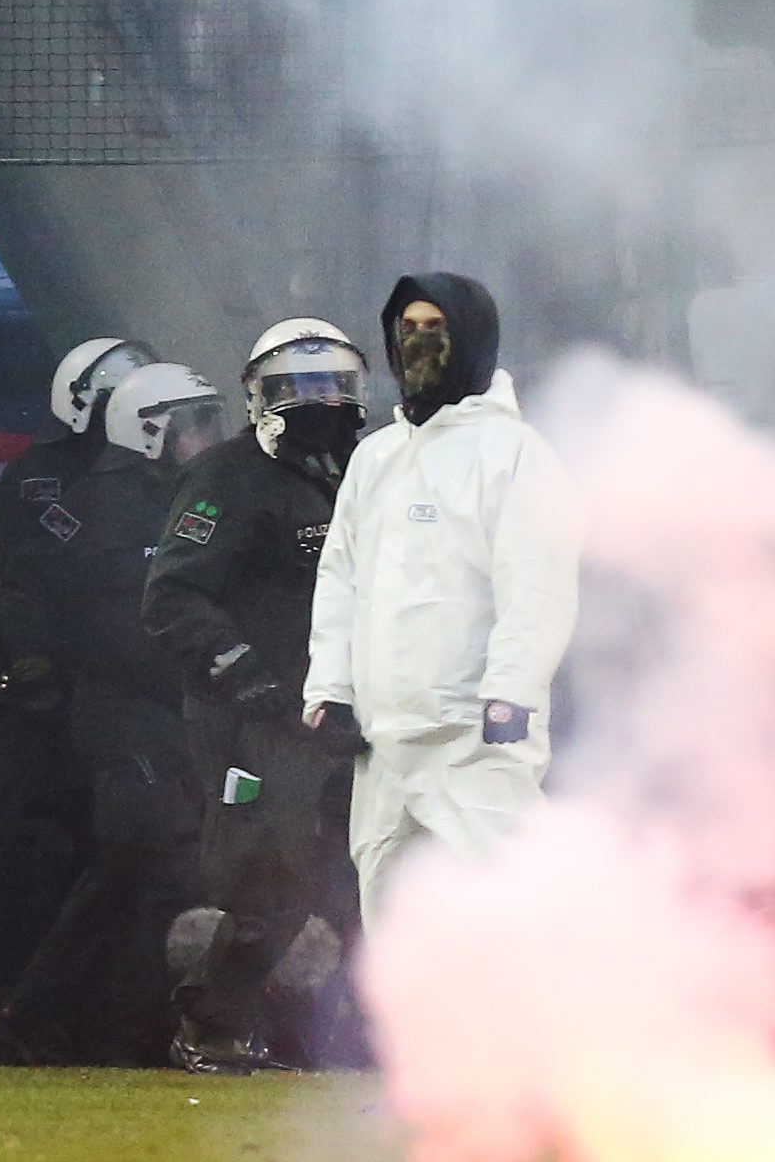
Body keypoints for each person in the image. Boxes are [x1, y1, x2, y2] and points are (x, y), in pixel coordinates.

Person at [304, 273, 583, 915]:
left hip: (474, 736)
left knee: (512, 902)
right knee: (391, 912)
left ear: (473, 339)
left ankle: (550, 1016)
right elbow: (340, 579)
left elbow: (535, 582)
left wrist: (512, 689)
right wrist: (330, 691)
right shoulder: (375, 458)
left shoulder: (514, 454)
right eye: (408, 330)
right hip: (383, 745)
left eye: (437, 330)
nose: (419, 344)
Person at [141, 319, 373, 1075]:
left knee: (354, 877)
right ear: (255, 397)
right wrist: (248, 676)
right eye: (295, 390)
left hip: (339, 713)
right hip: (255, 717)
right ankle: (211, 1026)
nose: (317, 404)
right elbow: (173, 594)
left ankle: (341, 1039)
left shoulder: (364, 475)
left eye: (331, 386)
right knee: (265, 877)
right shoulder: (226, 478)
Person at [0, 361, 226, 1065]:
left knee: (125, 874)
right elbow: (31, 590)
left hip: (163, 714)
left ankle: (34, 1019)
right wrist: (35, 673)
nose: (214, 437)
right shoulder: (98, 509)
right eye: (198, 423)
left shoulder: (178, 501)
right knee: (164, 859)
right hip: (124, 715)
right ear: (153, 432)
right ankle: (179, 1029)